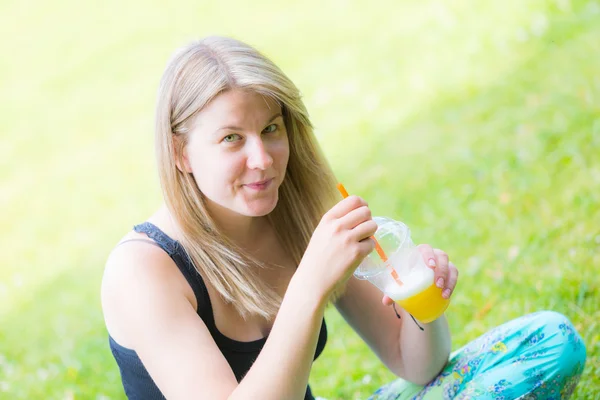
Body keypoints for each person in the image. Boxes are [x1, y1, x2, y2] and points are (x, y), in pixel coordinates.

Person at [100, 36, 587, 400]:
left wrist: (422, 307)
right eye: (231, 139)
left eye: (271, 129)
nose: (264, 159)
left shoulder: (294, 217)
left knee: (548, 338)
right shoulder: (144, 271)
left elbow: (413, 364)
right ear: (181, 153)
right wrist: (309, 285)